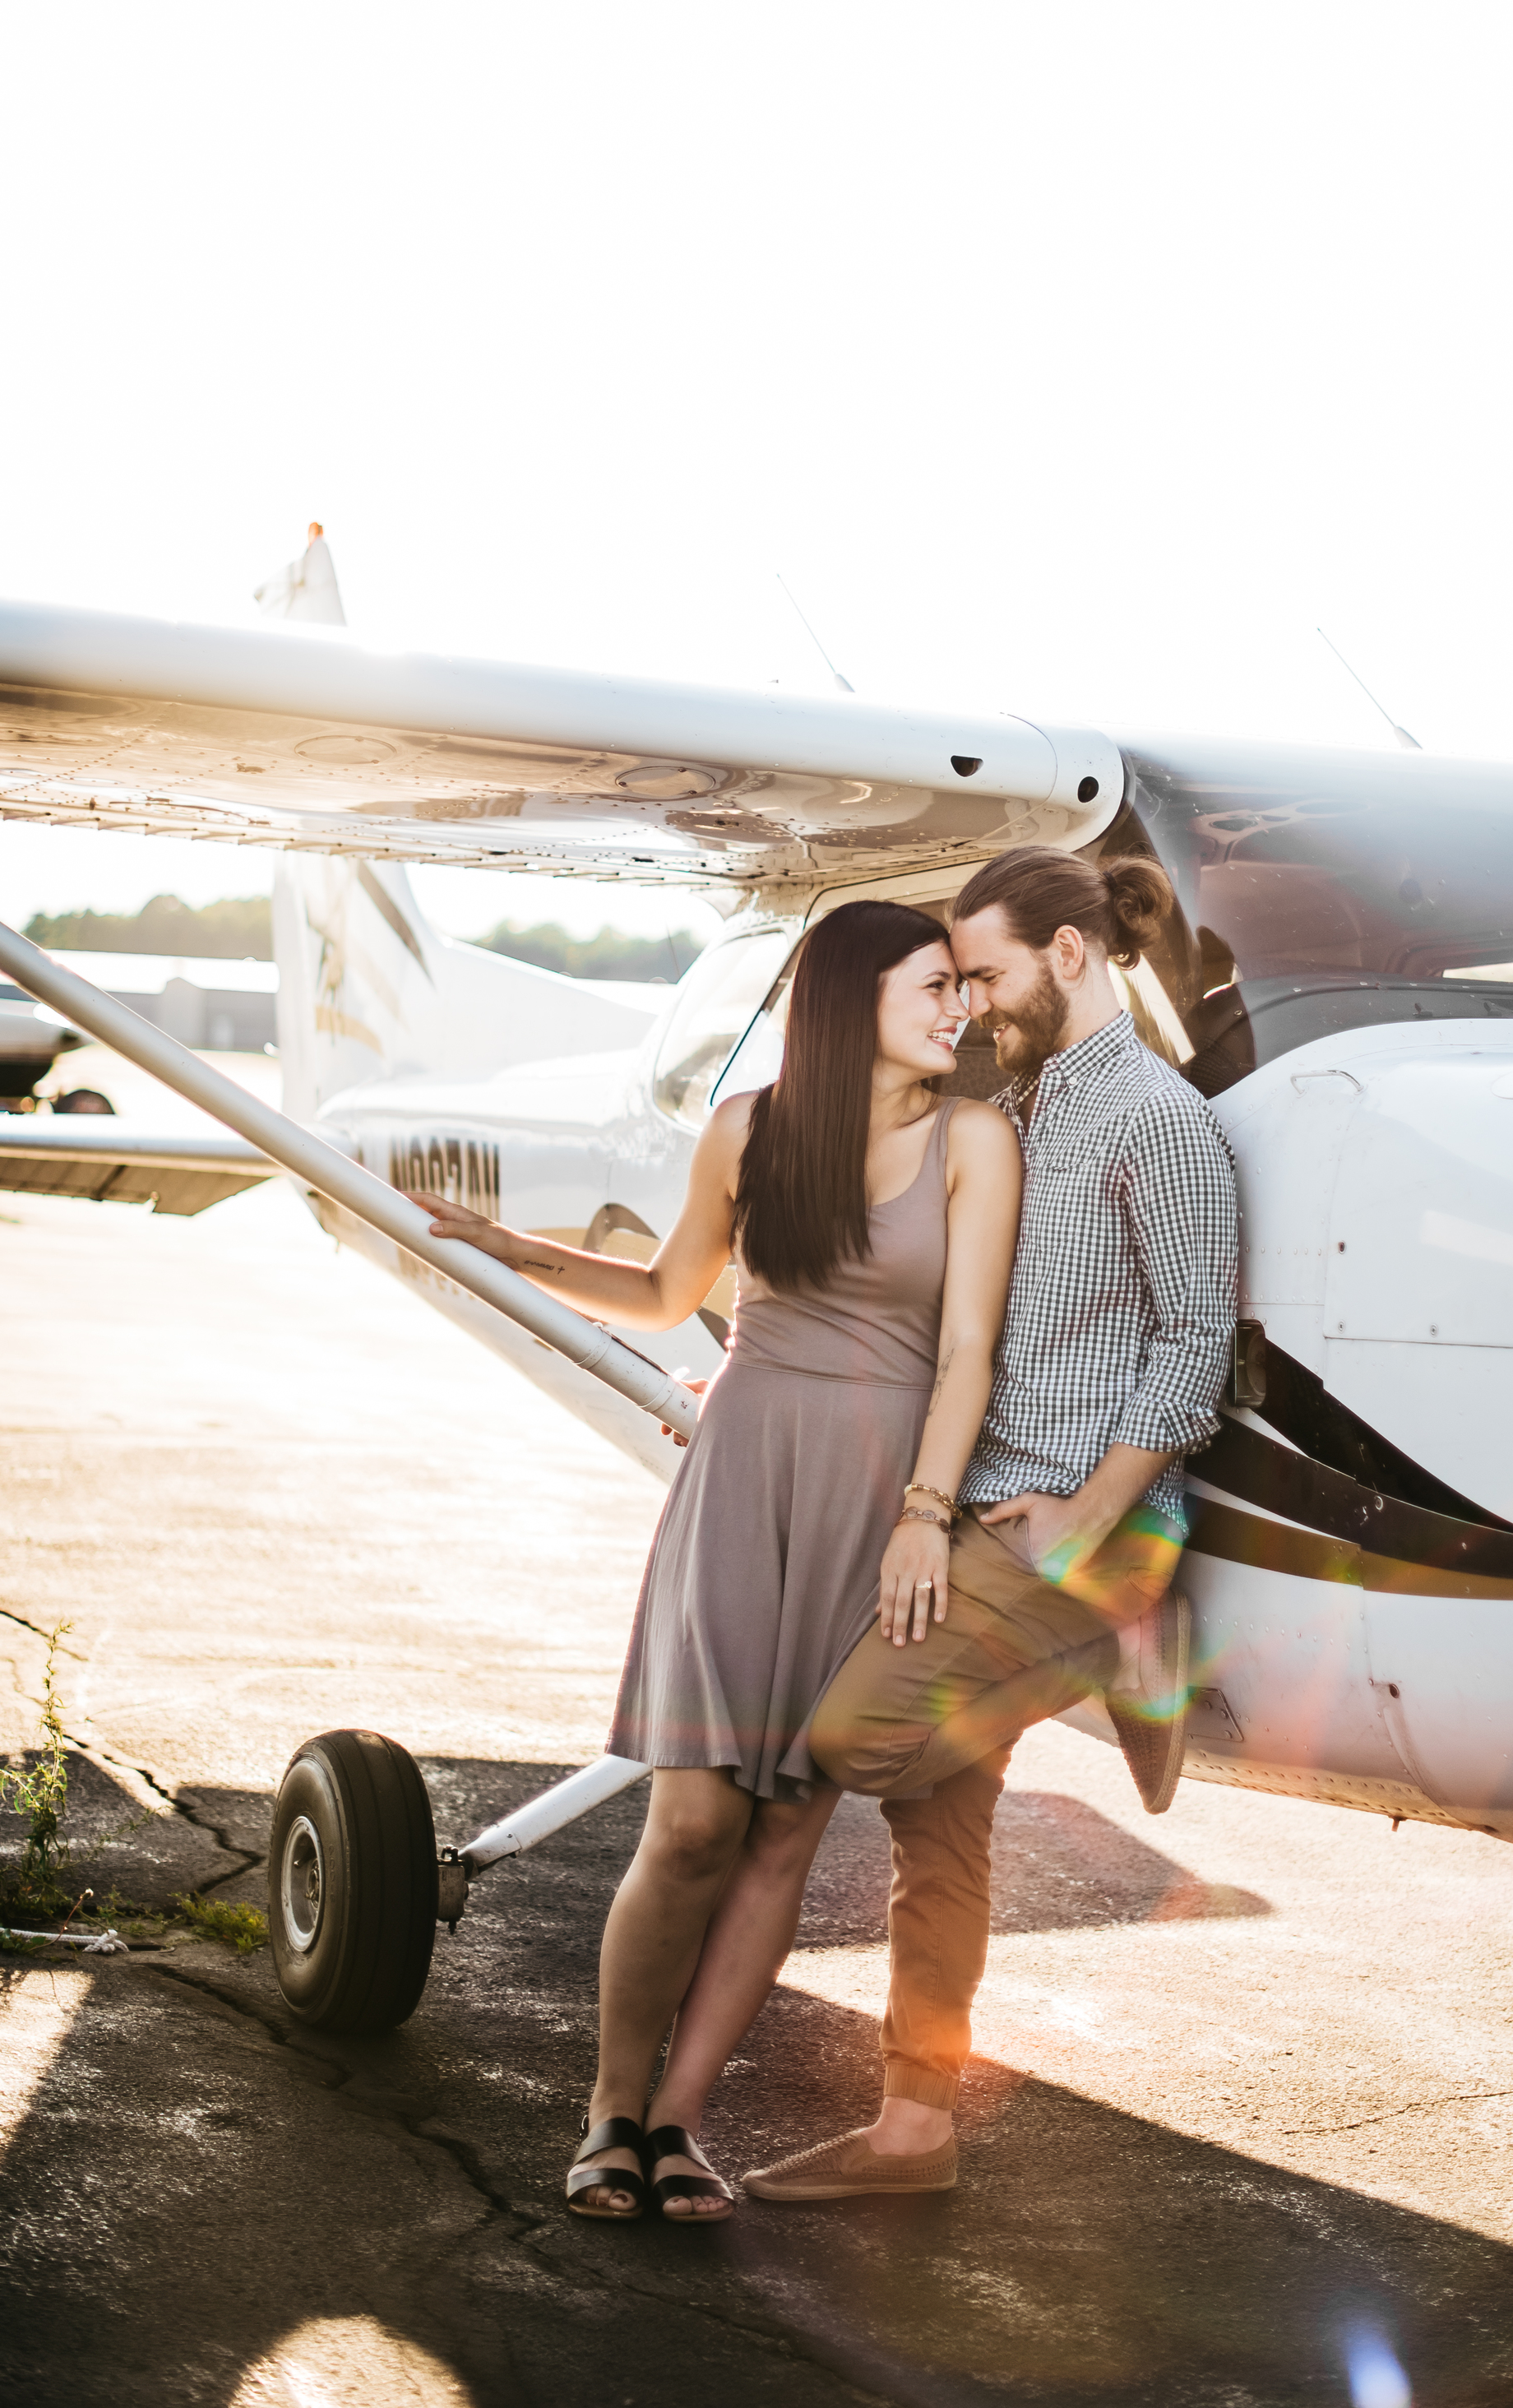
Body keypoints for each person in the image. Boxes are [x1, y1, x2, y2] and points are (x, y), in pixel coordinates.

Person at [411, 900, 1021, 2225]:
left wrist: (927, 1506)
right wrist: (512, 1251)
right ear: (853, 991)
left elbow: (967, 1346)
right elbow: (664, 1290)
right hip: (745, 1478)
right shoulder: (748, 1127)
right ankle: (606, 2112)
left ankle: (680, 2122)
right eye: (932, 984)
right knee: (692, 1821)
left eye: (960, 989)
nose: (957, 1008)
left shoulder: (976, 1139)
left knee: (787, 1827)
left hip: (879, 1506)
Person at [742, 846, 1239, 2207]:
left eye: (990, 973)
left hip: (1089, 1530)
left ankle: (1130, 1640)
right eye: (957, 979)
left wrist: (1089, 1516)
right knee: (939, 1836)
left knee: (855, 1737)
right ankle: (915, 2127)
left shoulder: (1156, 1118)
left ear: (1071, 954)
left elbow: (1197, 1347)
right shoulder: (1011, 1107)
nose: (972, 1001)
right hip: (985, 1514)